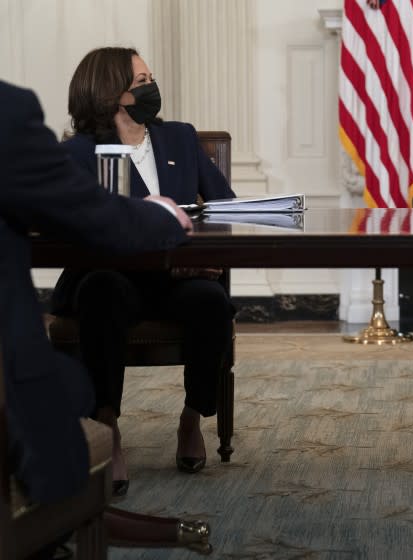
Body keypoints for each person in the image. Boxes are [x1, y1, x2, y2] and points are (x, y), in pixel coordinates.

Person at [0, 79, 191, 517]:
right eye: (138, 80)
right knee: (74, 388)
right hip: (12, 395)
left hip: (162, 286)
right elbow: (91, 215)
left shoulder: (176, 136)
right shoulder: (8, 114)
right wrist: (160, 213)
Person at [50, 47, 236, 495]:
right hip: (109, 278)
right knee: (103, 292)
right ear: (110, 91)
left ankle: (192, 417)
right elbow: (68, 226)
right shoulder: (75, 154)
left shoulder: (179, 137)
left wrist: (204, 255)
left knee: (211, 302)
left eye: (150, 77)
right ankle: (107, 425)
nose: (152, 88)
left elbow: (224, 207)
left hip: (174, 279)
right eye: (141, 81)